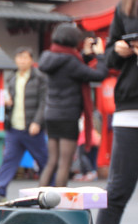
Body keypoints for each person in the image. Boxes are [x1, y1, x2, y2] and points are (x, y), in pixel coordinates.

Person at [95, 0, 138, 224]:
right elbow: (108, 56)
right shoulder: (127, 6)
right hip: (130, 107)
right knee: (117, 190)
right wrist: (119, 52)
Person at [37, 24, 107, 188]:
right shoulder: (71, 61)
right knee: (64, 163)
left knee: (52, 161)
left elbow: (76, 66)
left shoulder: (49, 56)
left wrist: (86, 55)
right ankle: (60, 204)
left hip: (51, 114)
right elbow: (98, 75)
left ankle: (39, 199)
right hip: (67, 116)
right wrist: (101, 56)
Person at [0, 47, 48, 199]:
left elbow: (44, 102)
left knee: (44, 160)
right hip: (14, 127)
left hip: (32, 127)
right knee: (9, 160)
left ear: (31, 60)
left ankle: (51, 190)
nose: (22, 60)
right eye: (19, 57)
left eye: (25, 57)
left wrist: (37, 122)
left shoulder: (39, 78)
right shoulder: (12, 78)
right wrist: (8, 103)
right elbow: (9, 101)